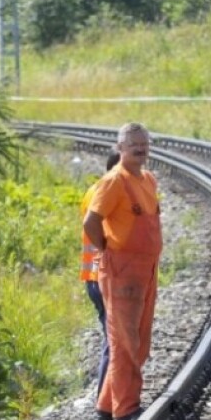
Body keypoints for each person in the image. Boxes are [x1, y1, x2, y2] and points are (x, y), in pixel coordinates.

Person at [83, 124, 162, 420]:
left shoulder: (148, 179)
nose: (140, 149)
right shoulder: (113, 180)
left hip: (146, 269)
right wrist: (107, 249)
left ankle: (106, 405)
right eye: (133, 145)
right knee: (124, 341)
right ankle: (126, 410)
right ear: (120, 148)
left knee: (138, 339)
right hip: (121, 270)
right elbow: (91, 221)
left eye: (144, 143)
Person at [80, 151, 122, 403]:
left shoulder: (94, 190)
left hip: (93, 274)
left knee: (112, 337)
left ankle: (108, 398)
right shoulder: (108, 193)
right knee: (115, 340)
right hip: (104, 275)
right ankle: (107, 401)